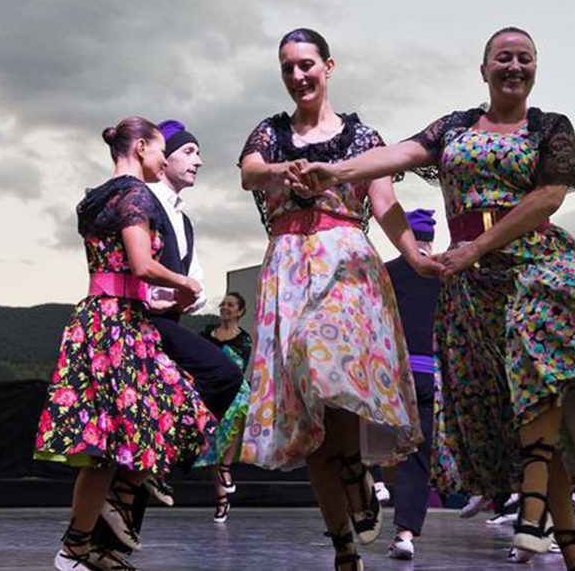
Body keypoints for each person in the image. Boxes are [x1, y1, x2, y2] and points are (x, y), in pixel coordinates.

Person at [299, 27, 575, 570]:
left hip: (536, 266)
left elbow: (548, 195)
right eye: (503, 57)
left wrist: (478, 245)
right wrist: (334, 171)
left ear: (535, 68)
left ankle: (533, 506)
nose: (514, 66)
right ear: (484, 69)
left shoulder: (551, 128)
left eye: (524, 58)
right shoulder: (455, 127)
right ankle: (573, 550)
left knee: (536, 358)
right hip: (471, 288)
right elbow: (398, 155)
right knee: (526, 410)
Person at [238, 28, 440, 571]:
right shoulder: (271, 133)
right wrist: (282, 170)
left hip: (345, 262)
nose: (297, 75)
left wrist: (415, 256)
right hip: (287, 265)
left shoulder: (361, 136)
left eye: (306, 64)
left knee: (326, 360)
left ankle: (354, 468)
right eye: (288, 67)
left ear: (328, 67)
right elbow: (250, 173)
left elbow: (385, 202)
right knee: (309, 417)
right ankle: (343, 547)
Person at [33, 116, 214, 571]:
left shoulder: (96, 197)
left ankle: (76, 547)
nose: (162, 160)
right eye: (160, 151)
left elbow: (113, 268)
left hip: (100, 316)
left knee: (105, 447)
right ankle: (91, 532)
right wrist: (185, 283)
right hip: (119, 324)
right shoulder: (135, 194)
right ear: (141, 149)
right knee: (180, 410)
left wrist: (156, 295)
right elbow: (140, 264)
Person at [378, 208, 441, 560]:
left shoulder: (387, 272)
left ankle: (371, 488)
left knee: (369, 438)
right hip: (430, 374)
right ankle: (405, 533)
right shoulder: (444, 274)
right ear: (430, 239)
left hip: (392, 374)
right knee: (418, 455)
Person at [198, 291, 253, 523]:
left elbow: (239, 367)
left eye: (231, 305)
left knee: (238, 410)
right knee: (215, 443)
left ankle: (226, 468)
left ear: (240, 311)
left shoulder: (244, 339)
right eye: (223, 304)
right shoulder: (207, 334)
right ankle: (221, 499)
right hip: (211, 387)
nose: (225, 308)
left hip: (234, 386)